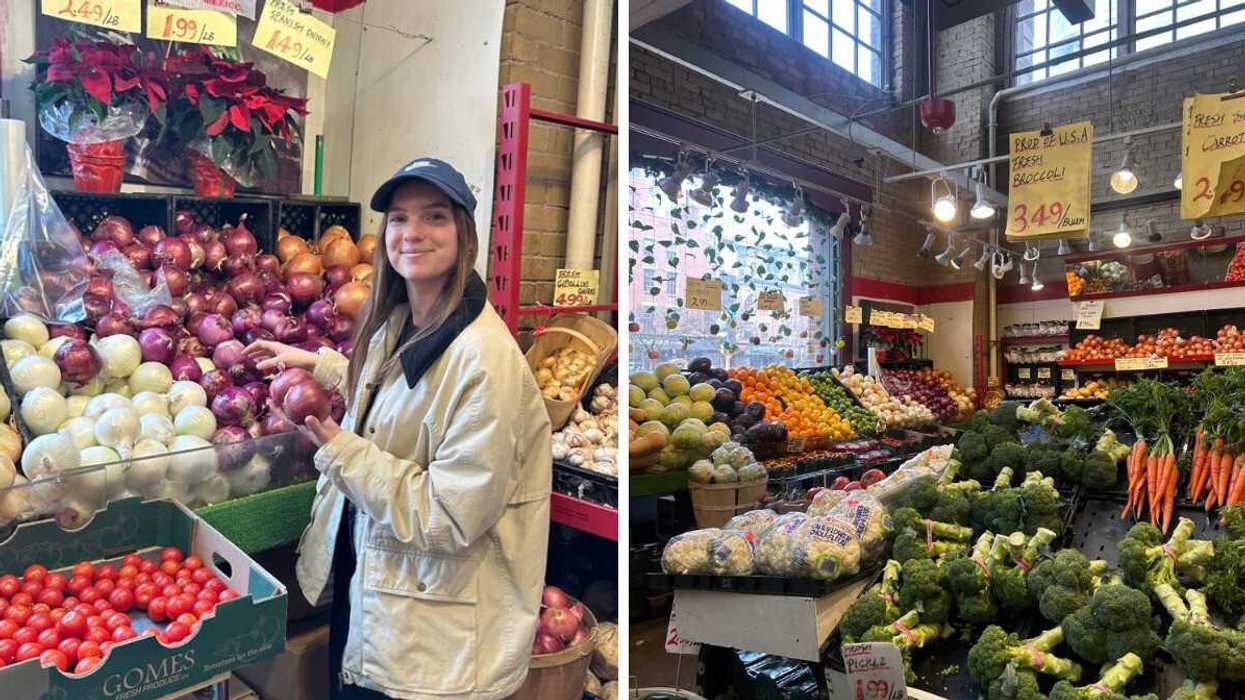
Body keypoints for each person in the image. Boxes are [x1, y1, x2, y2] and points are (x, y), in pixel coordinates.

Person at [245, 158, 551, 699]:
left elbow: (450, 517)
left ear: (464, 233)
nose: (412, 234)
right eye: (399, 219)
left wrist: (340, 449)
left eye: (434, 217)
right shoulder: (405, 320)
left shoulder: (484, 360)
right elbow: (395, 394)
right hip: (385, 595)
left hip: (436, 640)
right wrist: (314, 362)